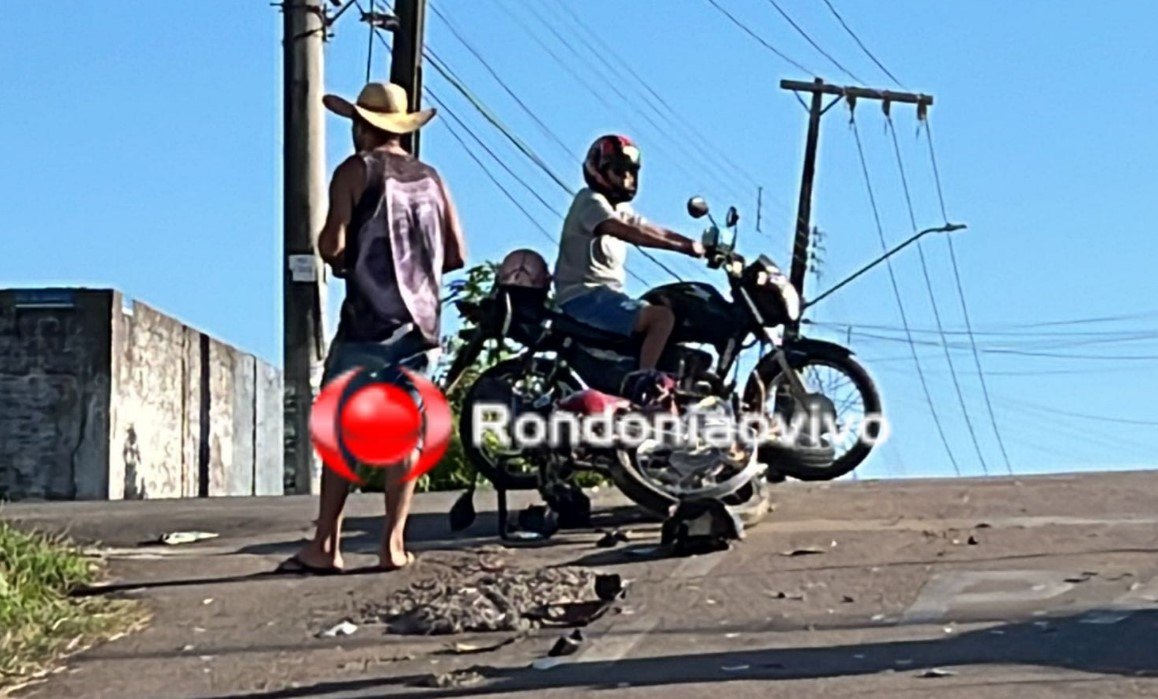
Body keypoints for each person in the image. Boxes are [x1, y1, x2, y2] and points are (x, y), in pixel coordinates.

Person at [277, 81, 466, 575]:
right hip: (420, 329)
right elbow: (457, 253)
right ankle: (392, 545)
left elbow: (332, 245)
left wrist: (349, 257)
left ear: (362, 126)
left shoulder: (355, 170)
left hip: (366, 323)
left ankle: (326, 545)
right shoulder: (432, 179)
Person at [552, 134, 704, 402]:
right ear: (599, 170)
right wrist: (682, 248)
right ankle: (643, 388)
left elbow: (652, 229)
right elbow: (627, 231)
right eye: (619, 171)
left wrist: (693, 244)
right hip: (584, 297)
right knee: (661, 318)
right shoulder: (590, 201)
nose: (627, 179)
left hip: (604, 297)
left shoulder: (619, 209)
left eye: (631, 172)